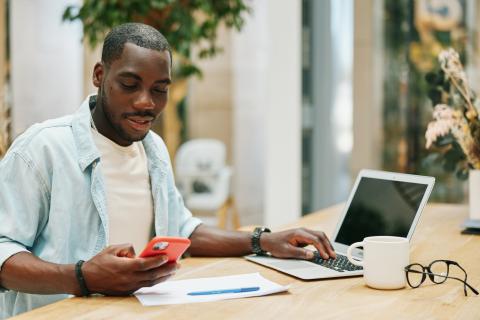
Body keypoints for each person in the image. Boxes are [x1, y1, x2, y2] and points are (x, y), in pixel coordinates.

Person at [0, 23, 336, 318]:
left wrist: (262, 240)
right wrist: (83, 277)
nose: (147, 102)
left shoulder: (153, 149)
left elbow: (182, 231)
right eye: (130, 84)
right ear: (100, 75)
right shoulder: (42, 149)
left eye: (159, 89)